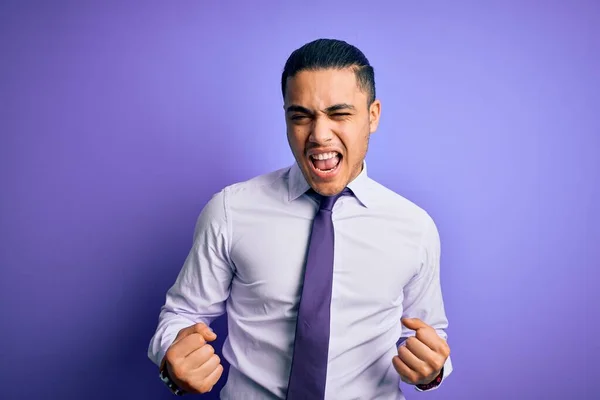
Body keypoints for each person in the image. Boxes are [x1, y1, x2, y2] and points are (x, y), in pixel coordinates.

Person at [148, 38, 452, 399]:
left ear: (373, 116)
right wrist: (172, 360)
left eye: (340, 114)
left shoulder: (414, 227)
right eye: (301, 116)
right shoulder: (230, 211)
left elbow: (427, 334)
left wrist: (431, 371)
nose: (319, 134)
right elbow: (181, 315)